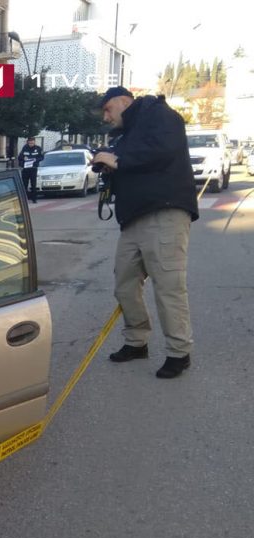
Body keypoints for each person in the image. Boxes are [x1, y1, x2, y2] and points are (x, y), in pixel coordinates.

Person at [92, 86, 199, 379]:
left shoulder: (159, 115)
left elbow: (162, 149)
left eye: (107, 109)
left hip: (164, 212)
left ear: (122, 101)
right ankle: (137, 341)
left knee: (168, 286)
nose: (106, 116)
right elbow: (129, 160)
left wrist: (120, 160)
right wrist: (108, 162)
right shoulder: (128, 133)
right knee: (124, 283)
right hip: (133, 219)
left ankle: (179, 352)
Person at [17, 136, 44, 203]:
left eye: (32, 143)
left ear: (34, 142)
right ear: (27, 142)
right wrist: (23, 159)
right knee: (24, 184)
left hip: (33, 169)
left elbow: (41, 157)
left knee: (33, 184)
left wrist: (36, 159)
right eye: (29, 143)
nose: (31, 144)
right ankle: (24, 199)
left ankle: (34, 199)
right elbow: (20, 157)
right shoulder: (25, 148)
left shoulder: (38, 148)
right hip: (26, 169)